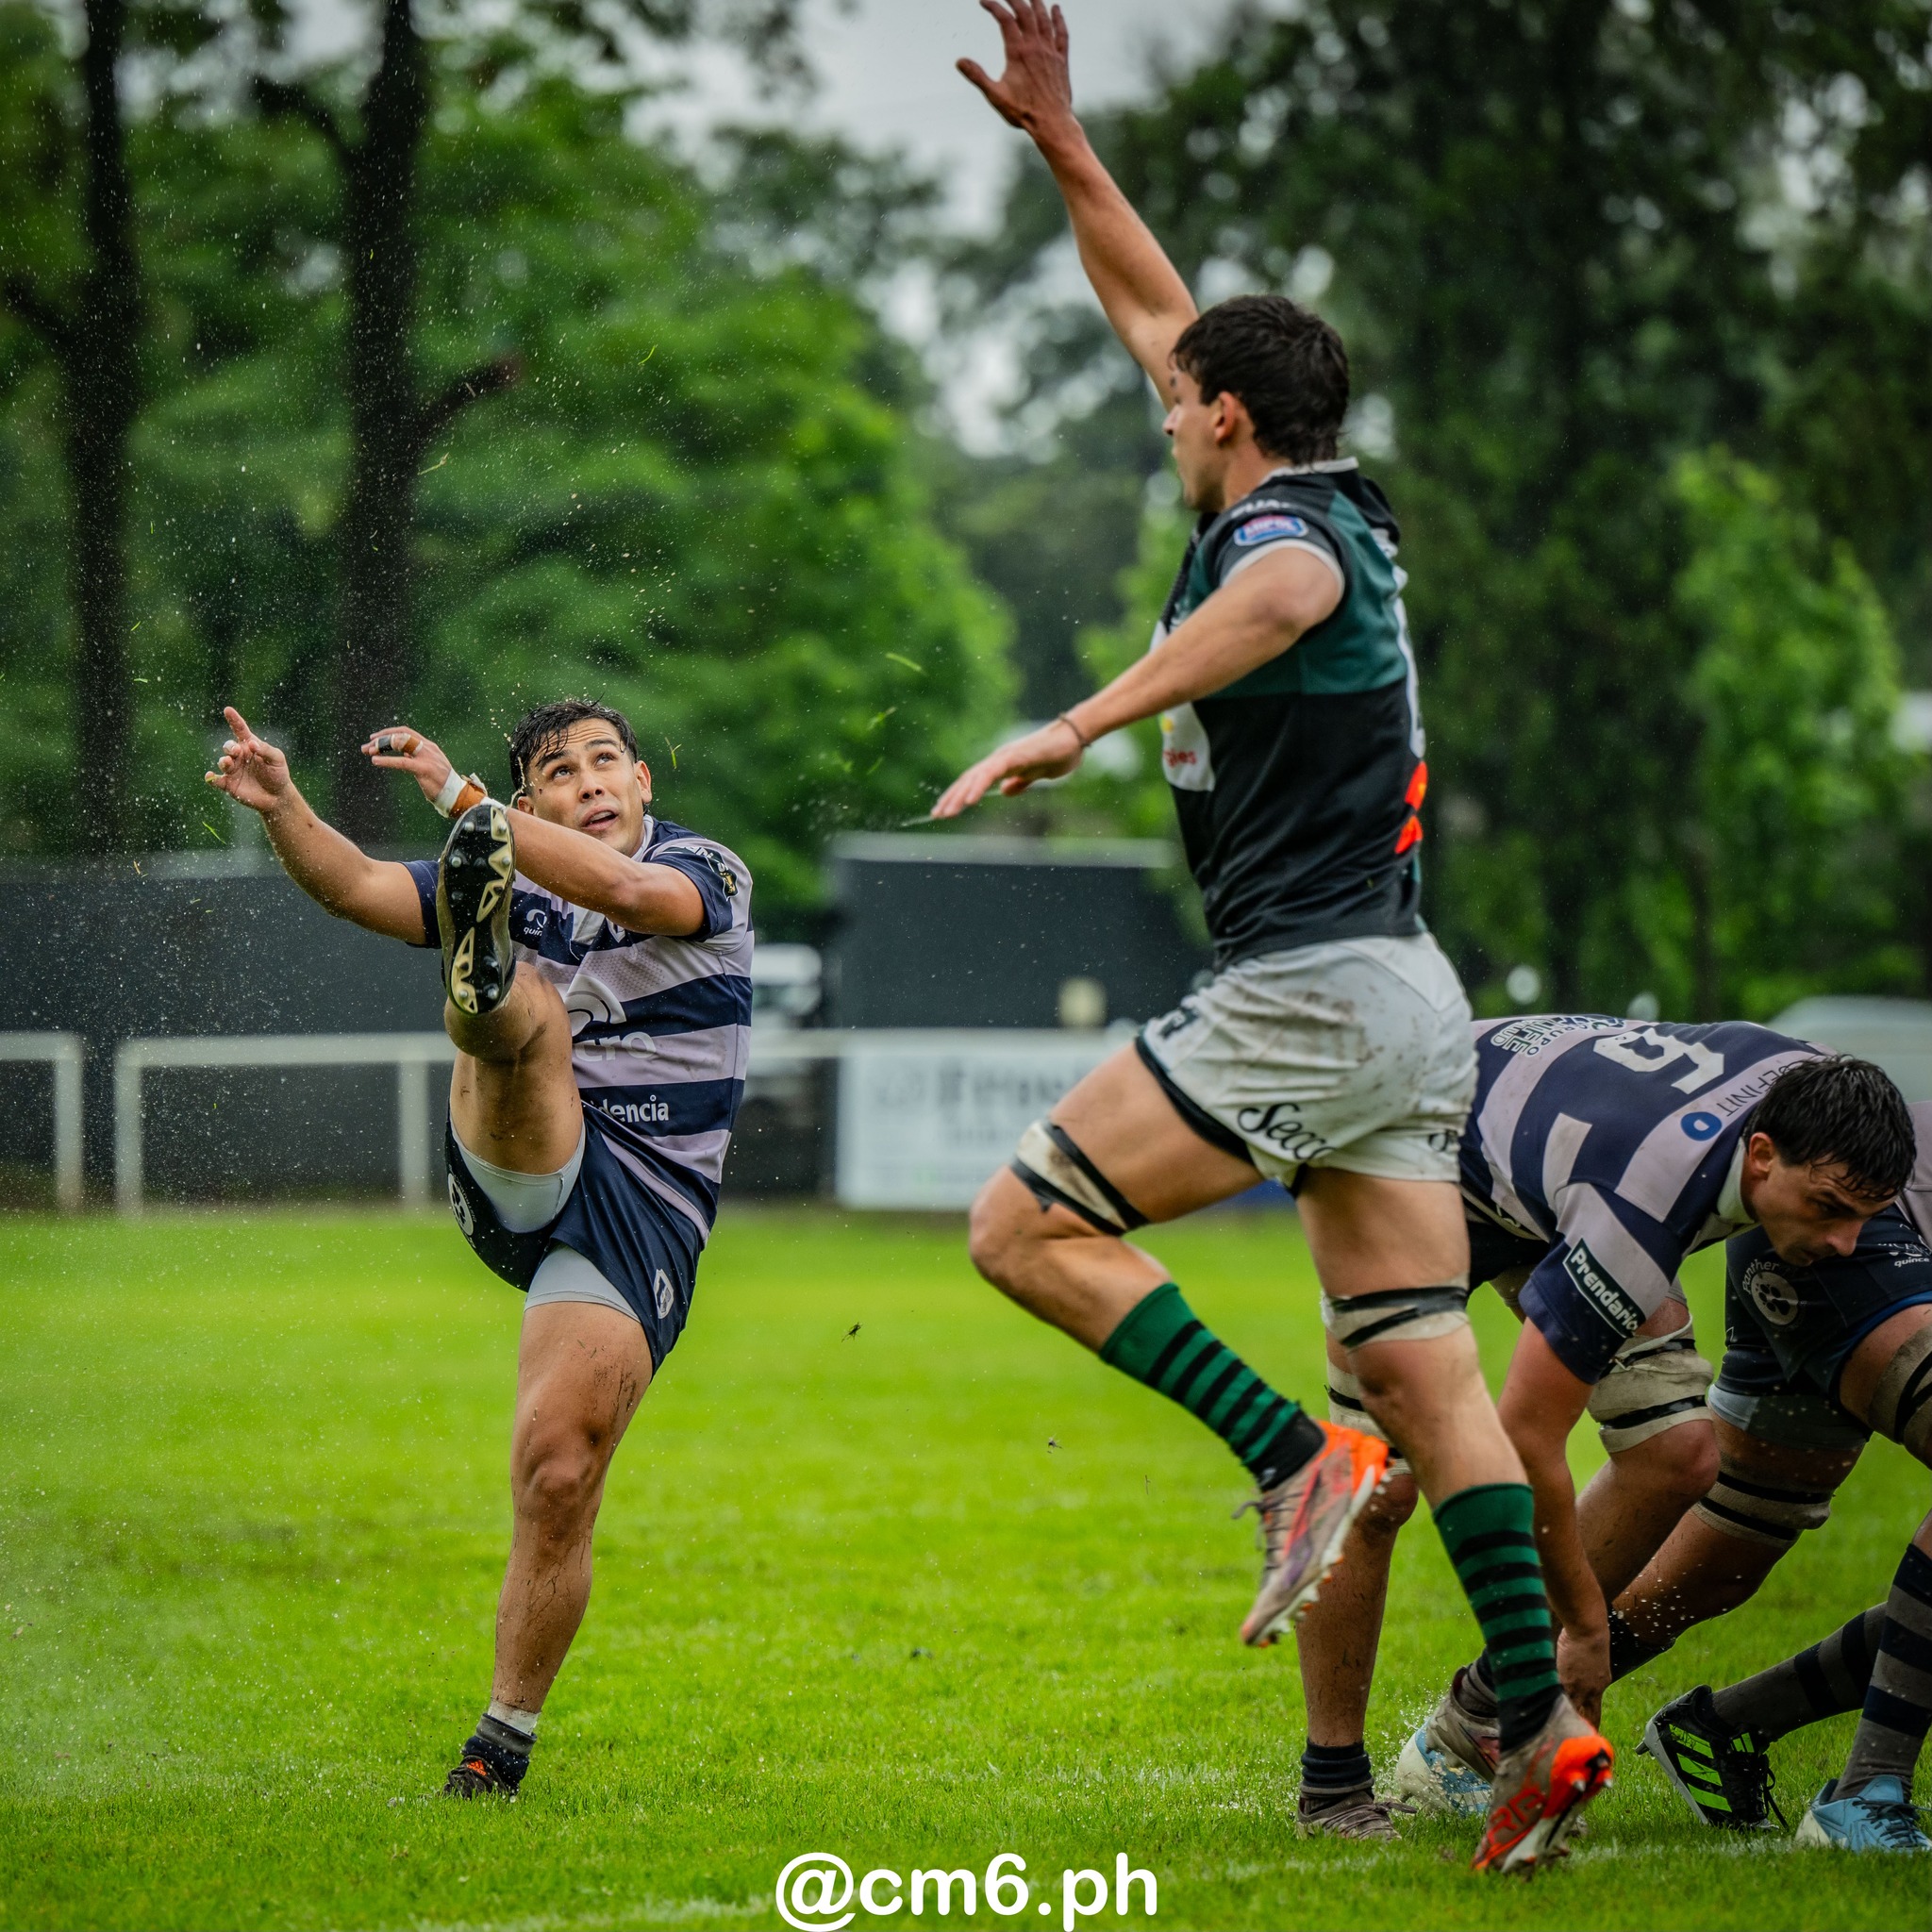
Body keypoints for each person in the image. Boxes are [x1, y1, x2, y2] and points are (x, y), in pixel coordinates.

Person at [939, 2, 1607, 1873]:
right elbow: (1156, 306)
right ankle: (1540, 1719)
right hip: (1406, 998)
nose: (1162, 405)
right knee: (1420, 1359)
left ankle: (1280, 1457)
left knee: (1023, 1225)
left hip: (1309, 991)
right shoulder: (1317, 484)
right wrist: (1065, 145)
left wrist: (1069, 723)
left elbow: (1275, 592)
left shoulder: (1286, 543)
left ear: (1226, 423)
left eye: (1175, 401)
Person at [204, 697, 753, 1798]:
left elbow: (636, 894)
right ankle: (487, 985)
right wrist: (285, 807)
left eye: (608, 762)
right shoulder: (503, 855)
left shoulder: (709, 869)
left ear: (645, 782)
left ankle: (496, 1747)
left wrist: (467, 806)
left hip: (642, 1202)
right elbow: (356, 884)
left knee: (560, 1470)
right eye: (560, 770)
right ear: (531, 801)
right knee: (527, 1014)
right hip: (516, 1152)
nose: (591, 781)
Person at [1292, 1022, 1909, 1833]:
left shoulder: (1818, 1097)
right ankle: (1331, 1788)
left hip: (1545, 1174)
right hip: (1392, 1163)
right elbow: (1524, 1439)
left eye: (1863, 1217)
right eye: (1827, 1209)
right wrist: (1585, 1629)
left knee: (1679, 1455)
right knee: (1378, 1484)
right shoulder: (1643, 1205)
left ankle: (1475, 1722)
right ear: (1761, 1156)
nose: (1842, 1242)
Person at [1607, 1126, 1932, 1854]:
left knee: (1717, 1561)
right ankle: (1865, 1793)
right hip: (1851, 1222)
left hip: (1835, 1225)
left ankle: (1485, 1720)